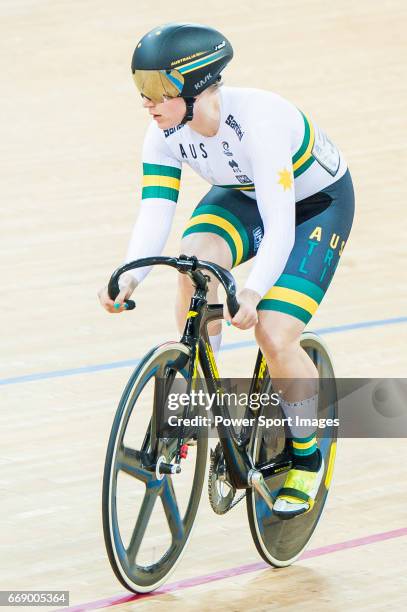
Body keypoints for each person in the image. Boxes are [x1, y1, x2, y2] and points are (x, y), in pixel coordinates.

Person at [98, 22, 355, 517]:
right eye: (141, 89)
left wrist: (255, 292)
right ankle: (198, 390)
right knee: (195, 260)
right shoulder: (164, 135)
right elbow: (156, 210)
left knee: (275, 336)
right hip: (247, 195)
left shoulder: (258, 124)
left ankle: (306, 455)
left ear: (195, 87)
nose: (147, 103)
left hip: (315, 205)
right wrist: (129, 276)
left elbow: (281, 226)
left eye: (157, 90)